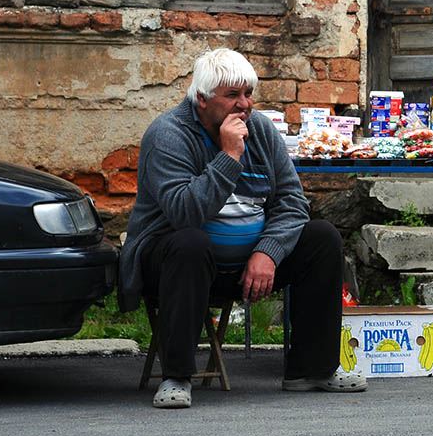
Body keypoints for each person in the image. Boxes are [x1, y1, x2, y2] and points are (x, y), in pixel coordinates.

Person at [119, 48, 366, 409]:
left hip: (250, 266)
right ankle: (176, 376)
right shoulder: (168, 134)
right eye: (232, 95)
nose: (244, 104)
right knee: (190, 242)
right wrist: (229, 156)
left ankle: (312, 370)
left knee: (321, 237)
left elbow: (292, 202)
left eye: (248, 93)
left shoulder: (261, 129)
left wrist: (268, 252)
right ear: (202, 99)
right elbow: (184, 212)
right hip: (179, 265)